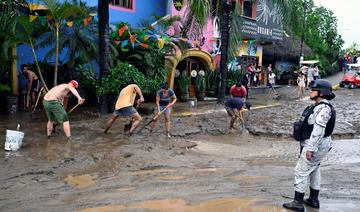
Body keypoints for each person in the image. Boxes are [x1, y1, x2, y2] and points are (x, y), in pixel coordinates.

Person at [283, 79, 336, 211]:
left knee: (301, 171)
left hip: (315, 144)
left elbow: (318, 130)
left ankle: (298, 203)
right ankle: (313, 200)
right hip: (319, 143)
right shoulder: (319, 107)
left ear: (321, 93)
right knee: (314, 169)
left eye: (313, 90)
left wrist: (310, 148)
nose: (311, 91)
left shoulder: (323, 109)